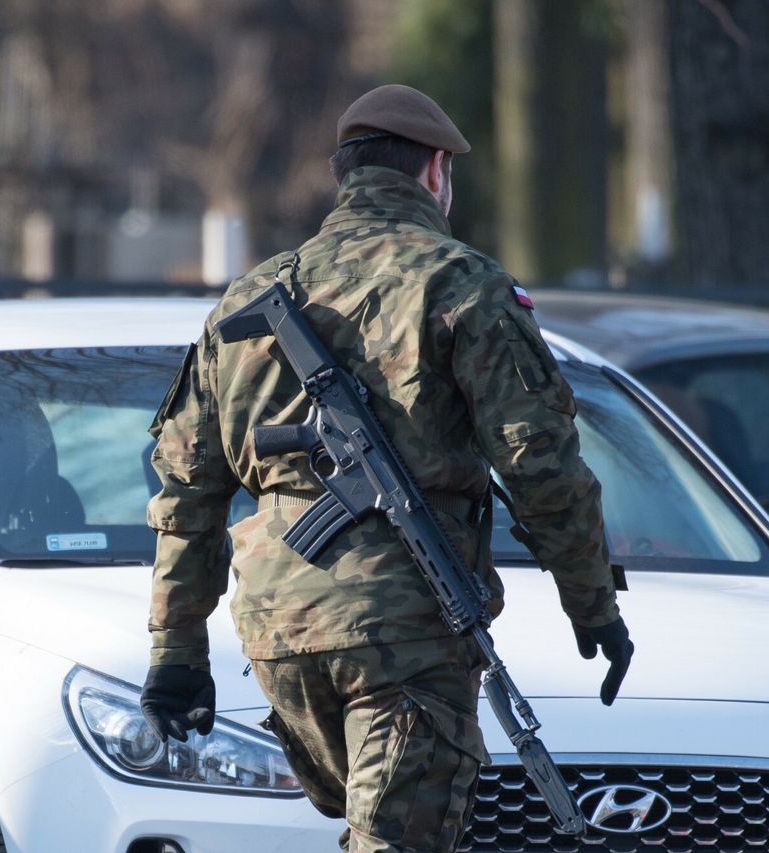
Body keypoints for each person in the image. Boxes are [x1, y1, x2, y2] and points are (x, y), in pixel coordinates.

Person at [141, 84, 632, 852]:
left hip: (280, 636)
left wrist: (176, 651)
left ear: (346, 177)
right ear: (435, 172)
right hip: (404, 636)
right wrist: (592, 603)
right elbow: (541, 465)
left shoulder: (248, 296)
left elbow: (186, 487)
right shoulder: (460, 283)